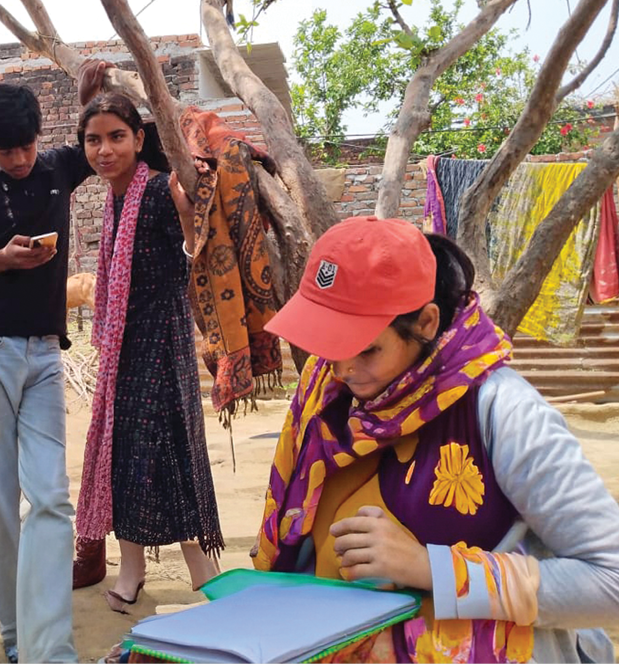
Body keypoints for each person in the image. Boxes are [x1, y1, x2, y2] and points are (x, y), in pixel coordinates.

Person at [255, 217, 619, 663]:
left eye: (367, 349)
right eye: (329, 344)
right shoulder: (327, 391)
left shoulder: (503, 409)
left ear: (426, 323)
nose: (343, 369)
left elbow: (610, 582)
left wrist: (430, 568)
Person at [0, 83, 91, 664]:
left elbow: (126, 135)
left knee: (54, 497)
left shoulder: (60, 166)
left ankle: (49, 648)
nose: (20, 159)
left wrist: (102, 86)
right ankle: (15, 637)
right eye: (7, 151)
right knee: (0, 500)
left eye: (27, 147)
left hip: (44, 353)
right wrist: (0, 261)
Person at [72, 93, 224, 613]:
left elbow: (190, 259)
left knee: (170, 446)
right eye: (94, 140)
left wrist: (185, 221)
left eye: (117, 137)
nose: (105, 149)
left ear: (139, 140)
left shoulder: (157, 191)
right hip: (124, 350)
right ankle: (132, 567)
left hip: (161, 342)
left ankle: (202, 569)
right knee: (125, 454)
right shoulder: (115, 199)